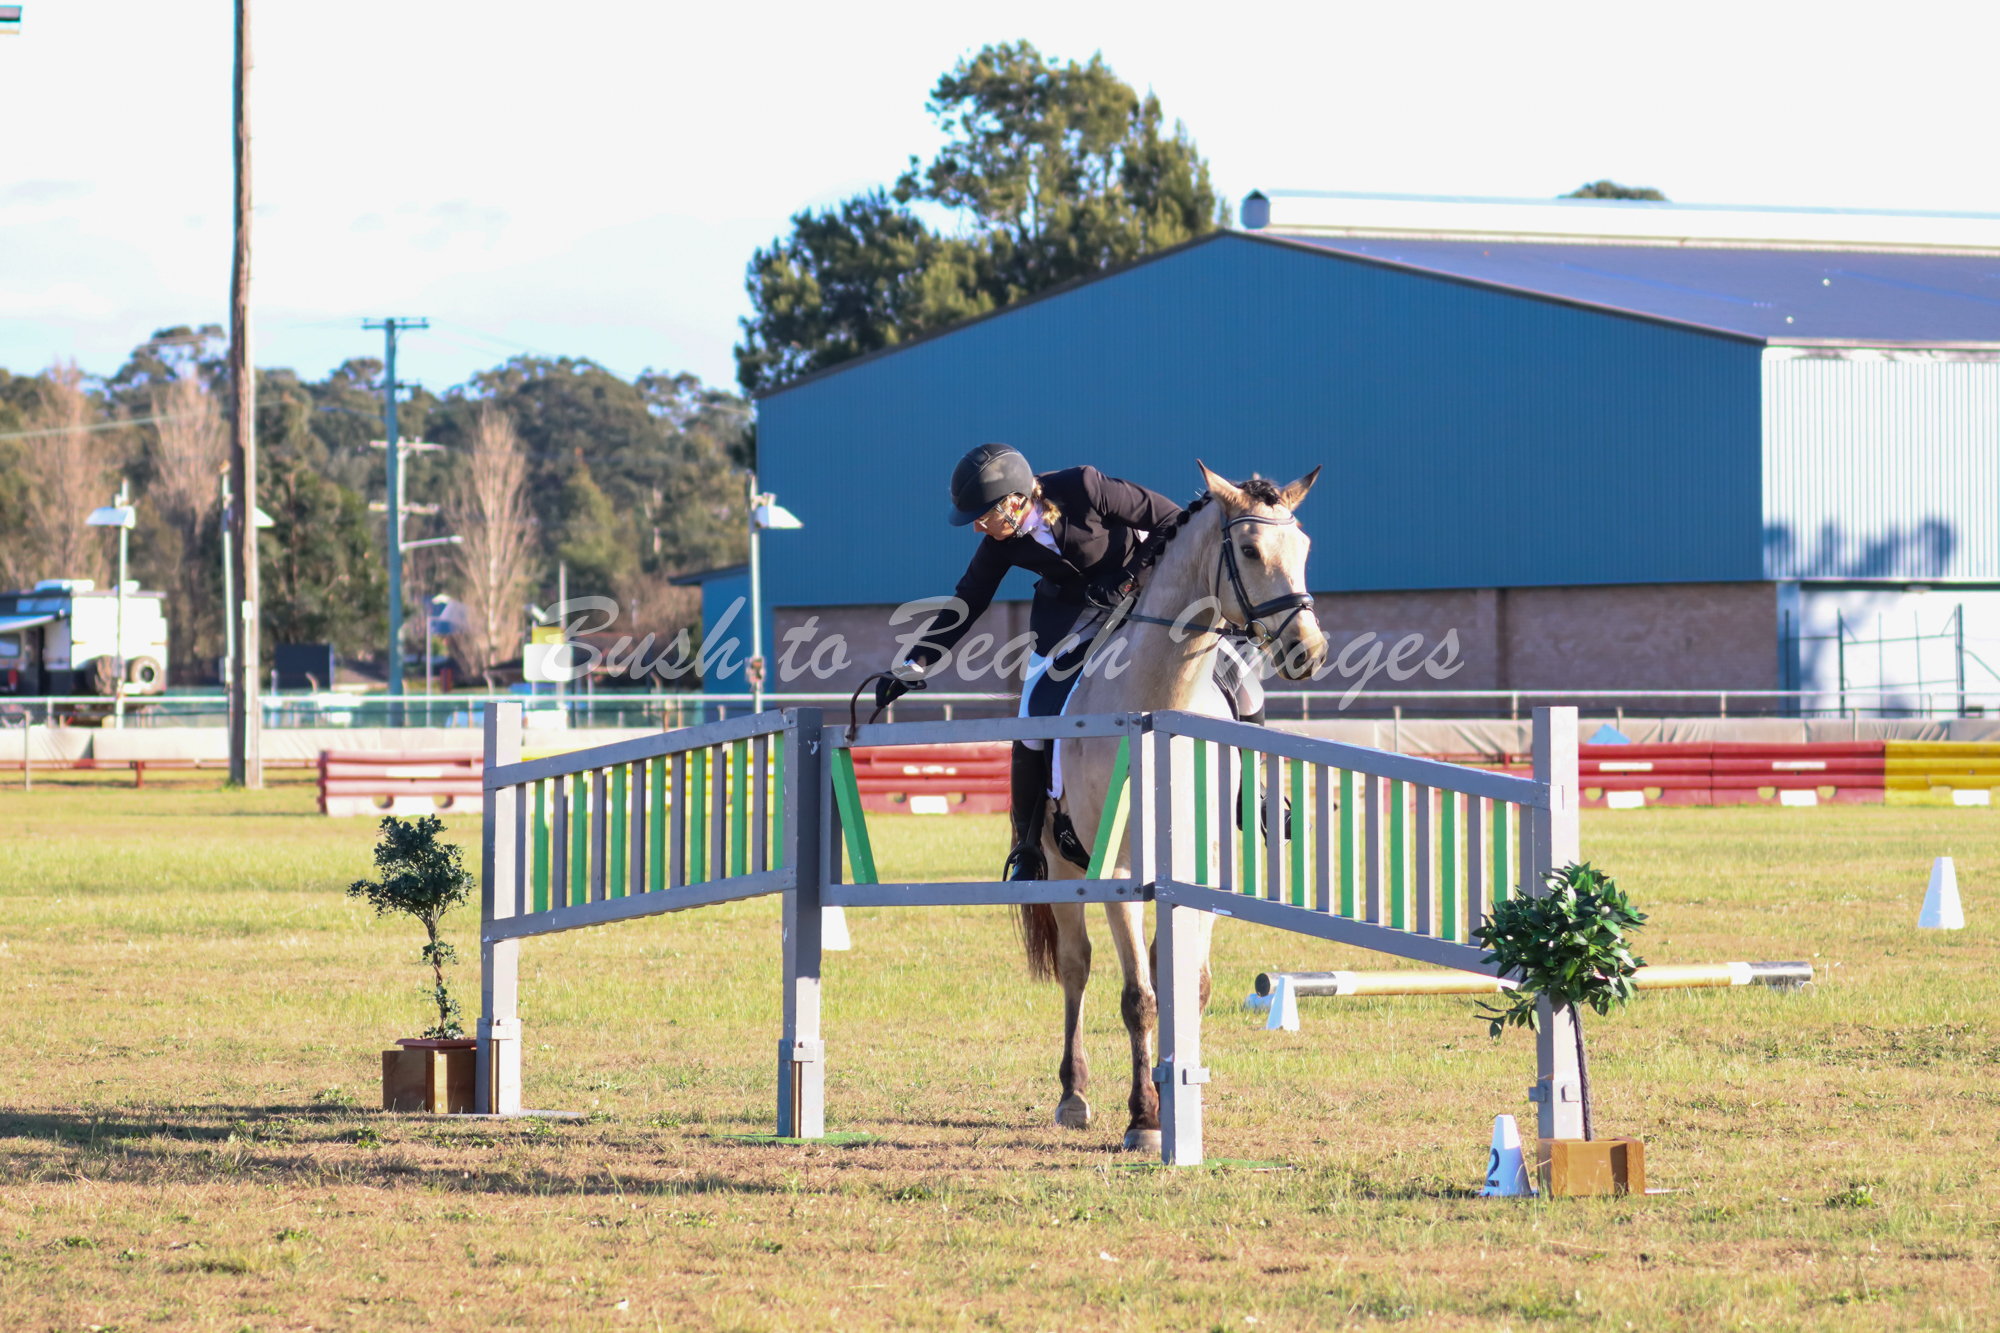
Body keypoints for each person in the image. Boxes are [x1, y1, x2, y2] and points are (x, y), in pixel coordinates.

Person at [877, 442, 1263, 880]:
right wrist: (914, 663)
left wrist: (1129, 576)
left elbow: (1173, 518)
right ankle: (1028, 846)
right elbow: (969, 599)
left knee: (1242, 678)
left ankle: (1254, 792)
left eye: (983, 517)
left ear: (1014, 501)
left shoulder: (1085, 487)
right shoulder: (1001, 543)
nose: (978, 527)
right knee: (1031, 714)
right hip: (1073, 619)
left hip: (1145, 596)